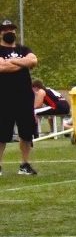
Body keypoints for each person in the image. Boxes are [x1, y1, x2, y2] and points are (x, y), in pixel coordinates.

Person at [0, 20, 39, 176]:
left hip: (24, 97)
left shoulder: (24, 48)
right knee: (2, 133)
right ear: (0, 33)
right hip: (4, 97)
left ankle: (24, 164)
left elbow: (34, 61)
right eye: (5, 29)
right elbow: (1, 67)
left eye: (11, 29)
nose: (9, 31)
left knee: (26, 132)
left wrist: (12, 61)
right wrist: (23, 63)